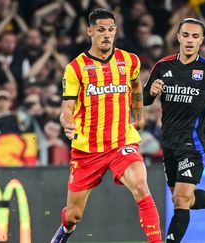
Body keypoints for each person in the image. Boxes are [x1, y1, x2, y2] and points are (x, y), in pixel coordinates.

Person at [51, 9, 162, 243]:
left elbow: (136, 88)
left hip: (121, 142)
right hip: (87, 149)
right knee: (74, 215)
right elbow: (66, 110)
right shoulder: (76, 68)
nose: (107, 35)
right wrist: (67, 124)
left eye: (111, 30)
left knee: (141, 186)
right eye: (101, 30)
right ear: (89, 31)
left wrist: (139, 116)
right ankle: (65, 229)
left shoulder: (129, 60)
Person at [143, 18, 205, 243]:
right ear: (178, 37)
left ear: (201, 40)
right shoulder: (163, 66)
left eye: (195, 37)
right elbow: (146, 99)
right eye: (185, 35)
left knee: (180, 199)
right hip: (168, 144)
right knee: (185, 199)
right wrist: (152, 91)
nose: (189, 40)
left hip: (193, 143)